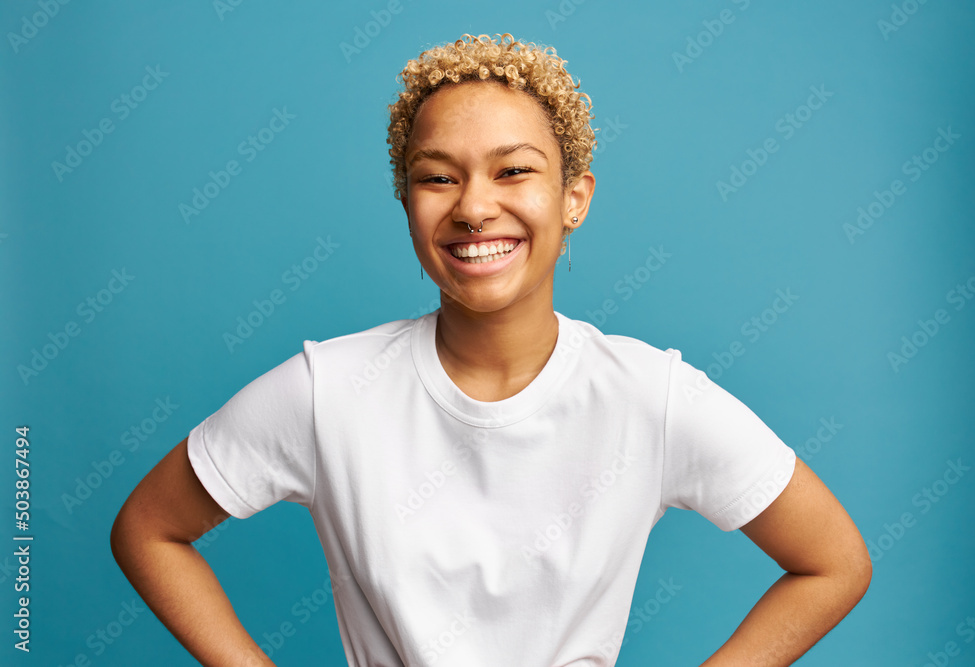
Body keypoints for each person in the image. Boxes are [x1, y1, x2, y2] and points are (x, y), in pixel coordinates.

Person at [110, 33, 871, 666]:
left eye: (514, 171)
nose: (474, 206)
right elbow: (148, 529)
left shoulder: (651, 395)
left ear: (575, 197)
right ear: (407, 203)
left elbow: (833, 561)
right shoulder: (330, 391)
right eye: (437, 177)